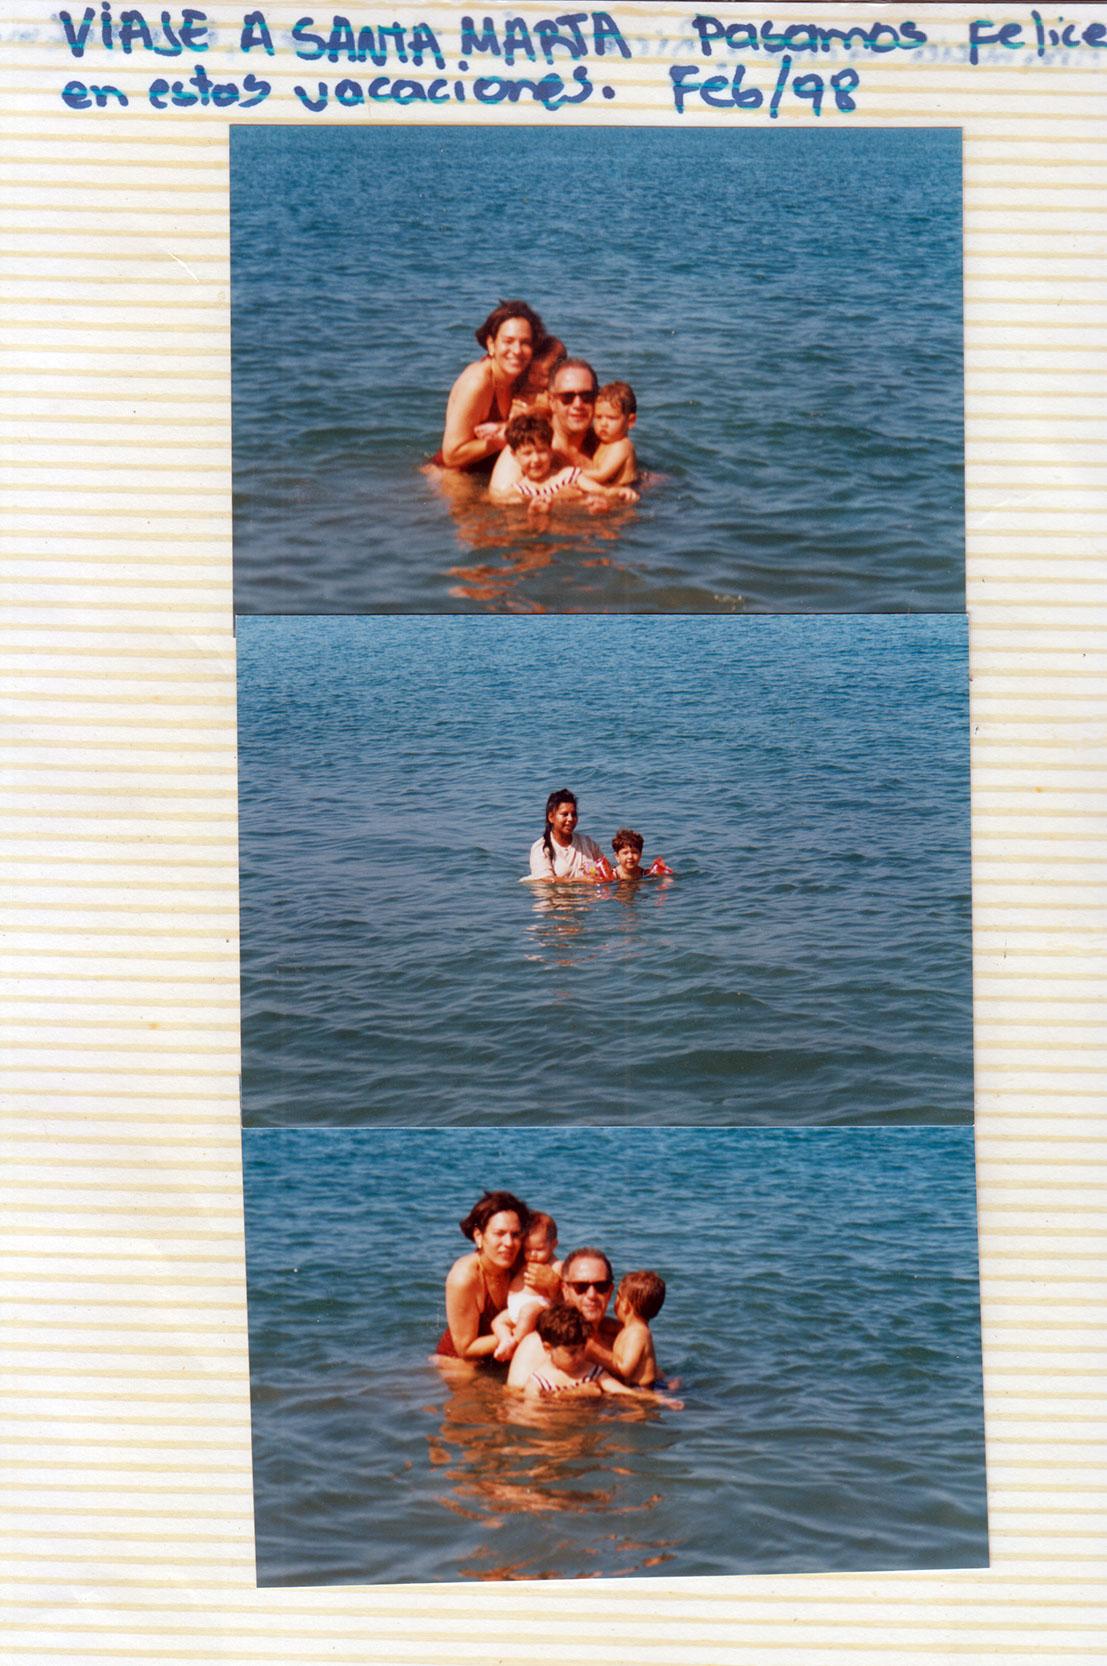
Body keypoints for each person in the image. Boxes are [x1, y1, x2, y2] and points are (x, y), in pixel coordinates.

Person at [437, 301, 548, 472]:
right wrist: (506, 437)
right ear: (491, 344)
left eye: (525, 342)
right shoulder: (478, 382)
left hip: (489, 467)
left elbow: (555, 348)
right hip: (455, 472)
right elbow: (451, 456)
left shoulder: (523, 375)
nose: (517, 350)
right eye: (508, 341)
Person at [488, 357, 612, 499]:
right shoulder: (526, 446)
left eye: (587, 396)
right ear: (552, 402)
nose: (578, 404)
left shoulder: (605, 446)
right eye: (567, 397)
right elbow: (499, 502)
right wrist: (559, 498)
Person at [432, 1189, 529, 1363]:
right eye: (499, 1233)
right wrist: (522, 1331)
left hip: (499, 1357)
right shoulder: (465, 1277)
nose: (509, 1243)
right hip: (461, 1364)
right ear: (479, 1236)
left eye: (515, 1235)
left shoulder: (519, 1264)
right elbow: (465, 1348)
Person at [506, 1246, 621, 1389]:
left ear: (610, 1291)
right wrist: (573, 1395)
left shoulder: (622, 1338)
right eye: (581, 1287)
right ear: (565, 1290)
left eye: (601, 1286)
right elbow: (515, 1398)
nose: (592, 1295)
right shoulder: (539, 1345)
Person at [490, 414, 638, 514]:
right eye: (527, 453)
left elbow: (602, 491)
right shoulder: (516, 492)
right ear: (515, 456)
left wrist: (619, 492)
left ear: (551, 450)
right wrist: (532, 513)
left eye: (541, 451)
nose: (535, 459)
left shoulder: (570, 476)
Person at [522, 1303, 637, 1399]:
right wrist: (574, 1394)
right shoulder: (538, 1382)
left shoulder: (592, 1372)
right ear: (548, 1348)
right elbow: (533, 1412)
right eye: (572, 1352)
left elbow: (625, 1392)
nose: (580, 1356)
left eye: (582, 1348)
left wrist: (646, 1397)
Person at [492, 1210, 561, 1362]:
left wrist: (553, 1285)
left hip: (538, 1307)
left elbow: (561, 1293)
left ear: (554, 1245)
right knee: (497, 1322)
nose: (532, 1254)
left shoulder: (556, 1265)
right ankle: (505, 1340)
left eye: (539, 1249)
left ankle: (515, 1345)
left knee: (528, 1312)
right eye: (527, 1249)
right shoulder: (524, 1260)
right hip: (515, 1309)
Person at [528, 789, 605, 883]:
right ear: (551, 817)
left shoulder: (587, 843)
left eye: (574, 814)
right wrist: (579, 880)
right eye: (565, 814)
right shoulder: (541, 848)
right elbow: (546, 880)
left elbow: (606, 870)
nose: (570, 819)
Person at [609, 1270, 666, 1387]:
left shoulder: (638, 1333)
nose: (615, 1300)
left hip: (641, 1388)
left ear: (625, 1304)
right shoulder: (633, 1329)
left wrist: (595, 1353)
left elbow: (625, 1369)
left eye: (617, 1295)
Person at [584, 381, 639, 489]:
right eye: (598, 417)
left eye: (611, 418)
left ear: (630, 421)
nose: (603, 423)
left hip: (622, 495)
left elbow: (601, 475)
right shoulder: (603, 442)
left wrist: (571, 472)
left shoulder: (622, 446)